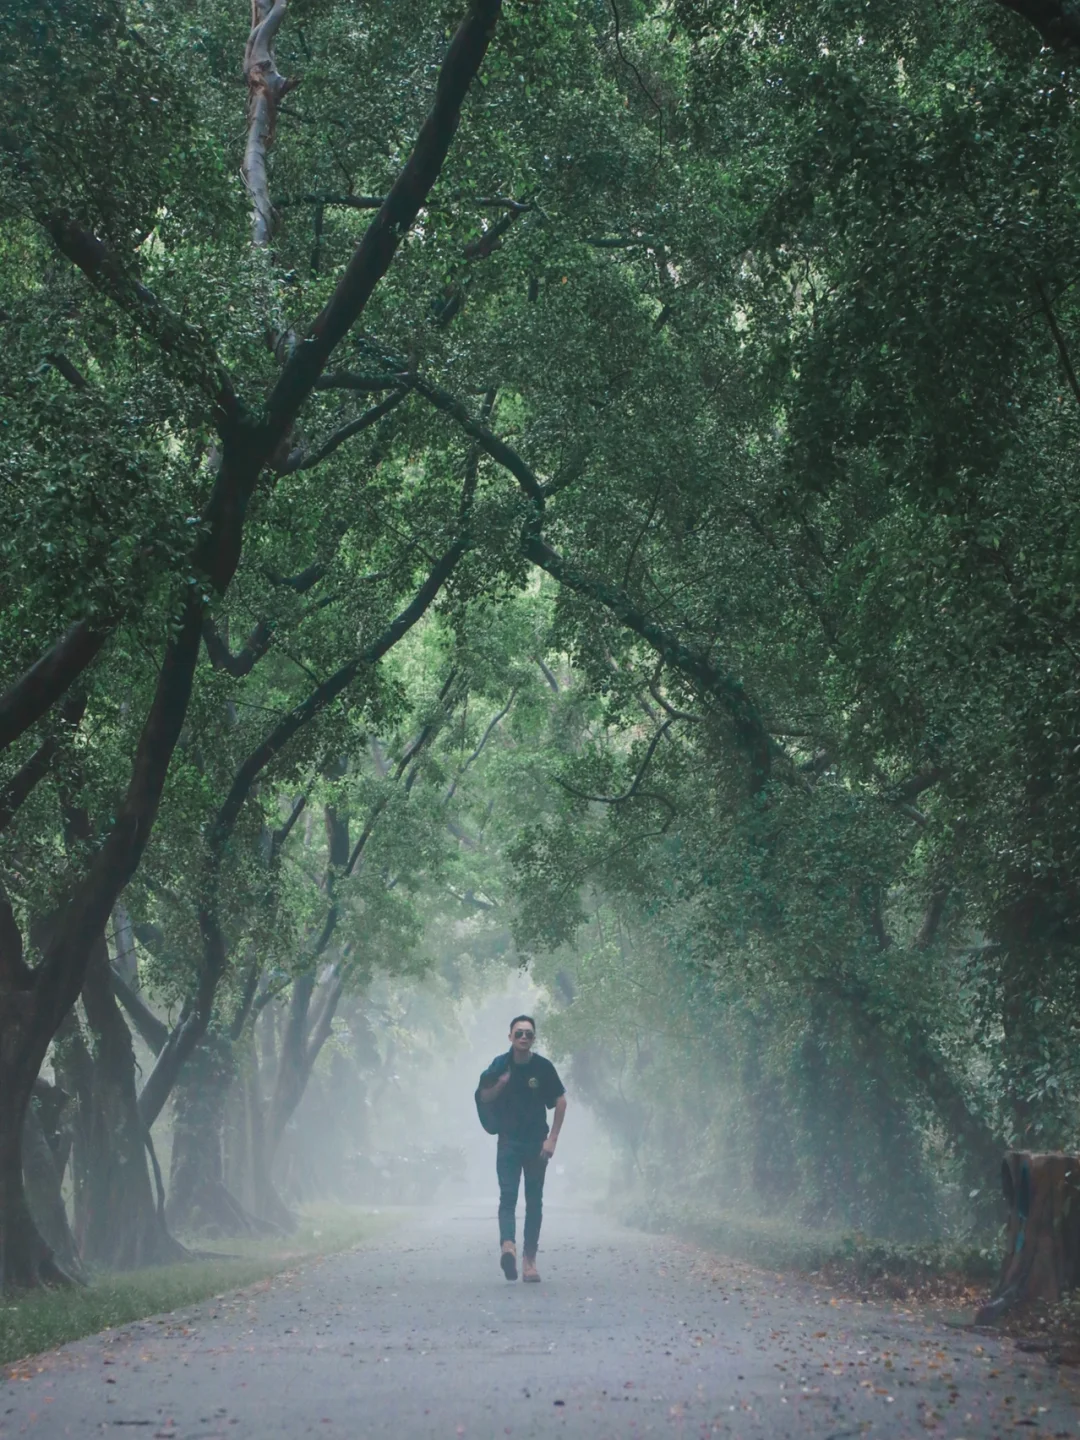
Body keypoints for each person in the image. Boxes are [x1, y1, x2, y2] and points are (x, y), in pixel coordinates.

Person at [475, 1015, 567, 1282]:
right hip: (508, 1142)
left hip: (536, 1143)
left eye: (528, 1033)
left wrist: (553, 1139)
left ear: (533, 1038)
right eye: (519, 1033)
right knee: (508, 1197)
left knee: (534, 1201)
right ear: (510, 1037)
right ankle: (508, 1248)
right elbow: (483, 1096)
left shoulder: (543, 1067)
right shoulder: (500, 1065)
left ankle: (530, 1261)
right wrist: (500, 1084)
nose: (524, 1037)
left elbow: (560, 1101)